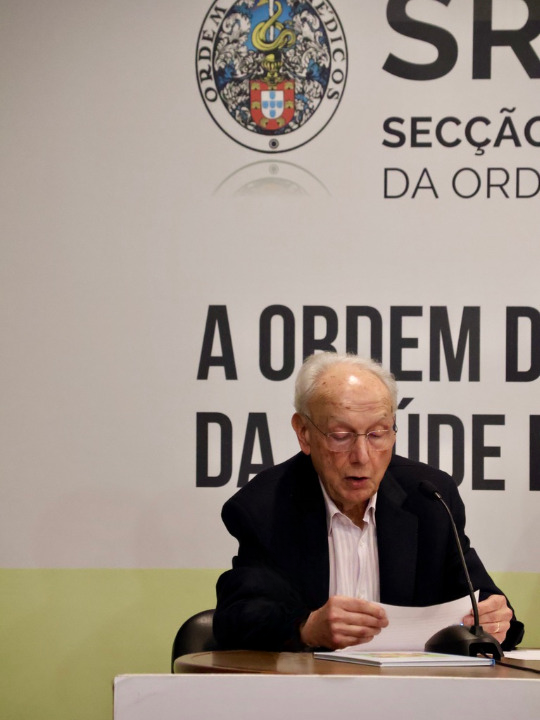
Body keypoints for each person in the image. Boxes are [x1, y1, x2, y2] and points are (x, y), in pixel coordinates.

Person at [213, 352, 524, 651]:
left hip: (409, 684)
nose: (361, 457)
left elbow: (482, 600)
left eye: (377, 434)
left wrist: (496, 619)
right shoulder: (265, 506)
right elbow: (238, 618)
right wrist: (306, 628)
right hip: (311, 684)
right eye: (340, 435)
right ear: (304, 433)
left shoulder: (428, 499)